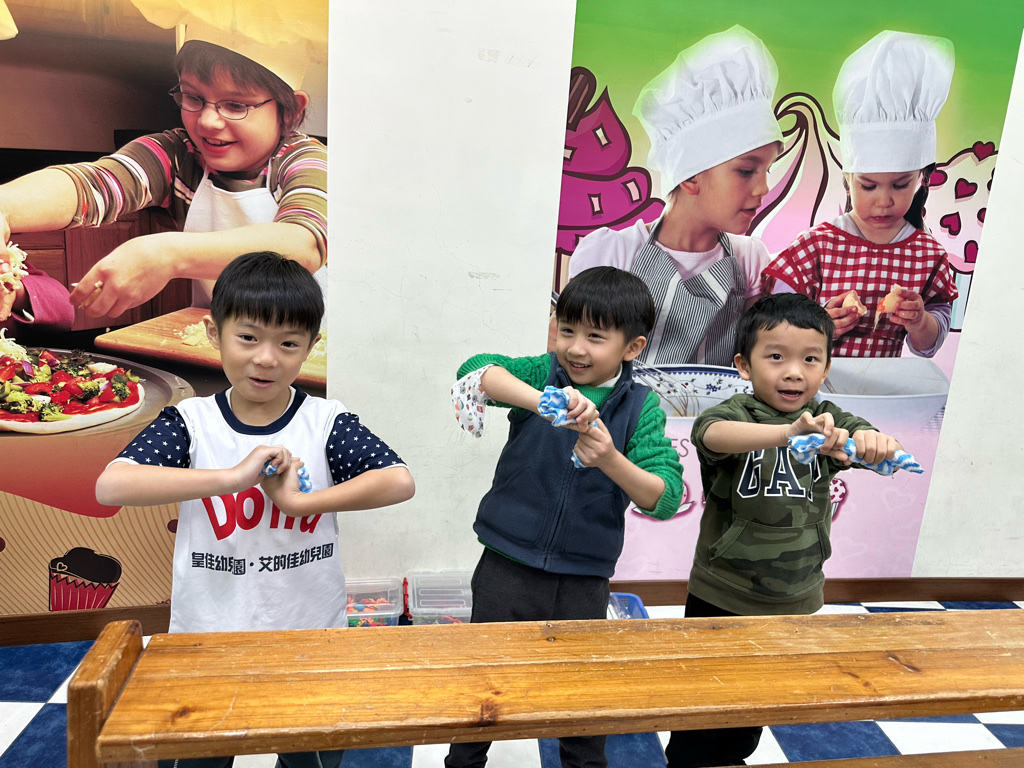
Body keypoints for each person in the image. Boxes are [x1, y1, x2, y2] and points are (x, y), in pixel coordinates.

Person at [94, 251, 414, 768]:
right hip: (208, 634)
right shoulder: (191, 420)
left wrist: (299, 502)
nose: (266, 358)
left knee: (311, 757)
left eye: (288, 343)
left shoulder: (324, 420)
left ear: (311, 346)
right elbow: (112, 485)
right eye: (247, 337)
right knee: (199, 757)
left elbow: (397, 480)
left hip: (309, 632)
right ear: (213, 333)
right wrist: (233, 477)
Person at [447, 266, 684, 768]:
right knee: (483, 683)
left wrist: (610, 459)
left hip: (584, 577)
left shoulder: (641, 407)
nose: (575, 348)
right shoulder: (544, 373)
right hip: (506, 564)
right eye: (567, 329)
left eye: (595, 337)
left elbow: (663, 498)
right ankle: (463, 762)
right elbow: (475, 369)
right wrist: (542, 403)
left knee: (579, 693)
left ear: (633, 347)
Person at [664, 293, 903, 768]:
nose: (794, 372)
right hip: (722, 592)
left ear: (826, 367)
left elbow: (879, 445)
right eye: (776, 357)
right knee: (700, 709)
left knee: (752, 707)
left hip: (794, 596)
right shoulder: (738, 414)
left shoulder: (832, 418)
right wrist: (789, 433)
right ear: (744, 365)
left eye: (810, 359)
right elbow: (709, 434)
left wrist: (874, 442)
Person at [0, 18, 327, 317]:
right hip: (220, 342)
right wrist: (4, 207)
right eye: (193, 98)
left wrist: (168, 254)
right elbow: (94, 184)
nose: (208, 121)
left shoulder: (306, 160)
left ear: (291, 110)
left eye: (236, 105)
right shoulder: (179, 156)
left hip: (318, 351)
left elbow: (303, 244)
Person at [566, 26, 782, 367]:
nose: (763, 189)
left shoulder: (750, 260)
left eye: (767, 170)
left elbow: (764, 356)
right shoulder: (612, 253)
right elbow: (576, 359)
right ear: (691, 175)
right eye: (746, 171)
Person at [761, 31, 958, 358]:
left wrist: (921, 320)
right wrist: (817, 324)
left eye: (900, 185)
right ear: (848, 179)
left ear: (921, 179)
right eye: (868, 186)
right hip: (812, 379)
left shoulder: (928, 254)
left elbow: (928, 345)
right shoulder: (819, 244)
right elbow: (772, 318)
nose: (883, 200)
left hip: (882, 385)